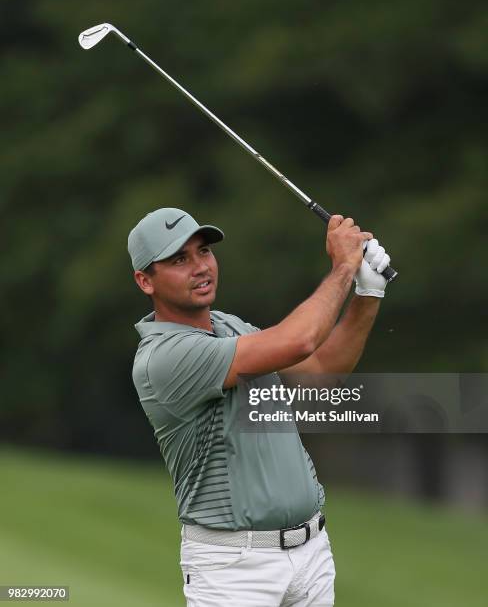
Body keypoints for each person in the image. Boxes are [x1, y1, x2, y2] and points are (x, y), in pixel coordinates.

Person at [128, 207, 390, 606]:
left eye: (203, 252)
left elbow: (320, 370)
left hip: (312, 553)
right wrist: (342, 267)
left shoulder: (229, 327)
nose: (200, 267)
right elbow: (299, 341)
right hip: (233, 568)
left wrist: (367, 292)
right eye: (179, 259)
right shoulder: (163, 356)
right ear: (145, 280)